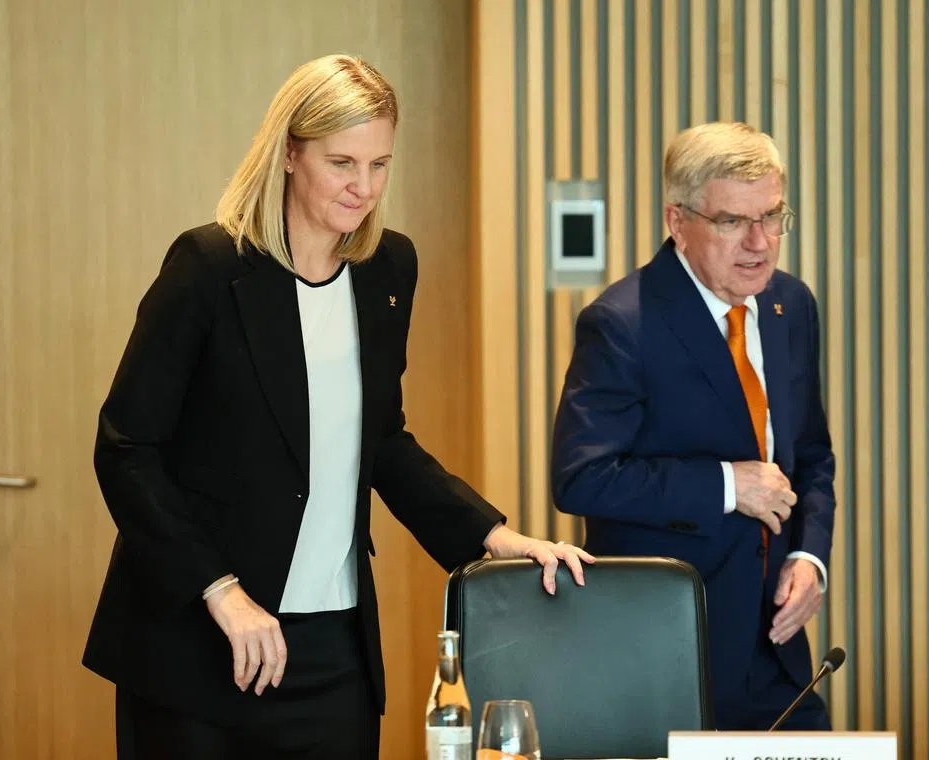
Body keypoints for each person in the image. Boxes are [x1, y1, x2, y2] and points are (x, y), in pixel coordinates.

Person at [83, 54, 594, 759]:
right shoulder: (209, 268)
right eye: (342, 163)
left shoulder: (388, 269)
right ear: (290, 153)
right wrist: (219, 589)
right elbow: (126, 448)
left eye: (379, 164)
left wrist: (494, 538)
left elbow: (381, 440)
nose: (363, 187)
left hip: (332, 649)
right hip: (203, 640)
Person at [551, 122, 834, 731]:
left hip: (777, 655)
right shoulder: (622, 322)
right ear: (678, 221)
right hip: (666, 652)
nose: (760, 242)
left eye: (773, 215)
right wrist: (730, 486)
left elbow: (811, 455)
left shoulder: (792, 305)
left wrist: (810, 556)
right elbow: (581, 478)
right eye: (733, 221)